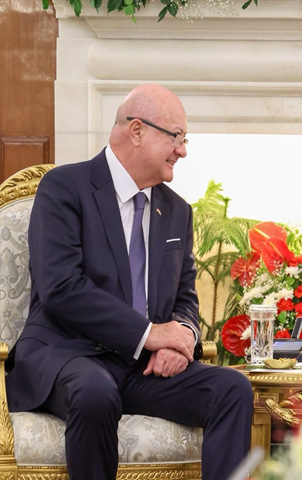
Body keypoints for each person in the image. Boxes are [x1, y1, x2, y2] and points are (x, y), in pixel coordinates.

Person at [5, 84, 254, 480]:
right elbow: (61, 287)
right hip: (68, 356)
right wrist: (150, 334)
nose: (182, 151)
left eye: (184, 140)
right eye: (176, 137)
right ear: (137, 130)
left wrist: (183, 337)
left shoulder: (177, 211)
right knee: (94, 392)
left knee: (232, 389)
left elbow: (185, 297)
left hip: (141, 368)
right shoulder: (65, 187)